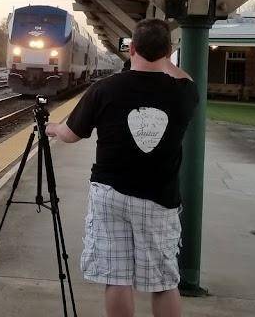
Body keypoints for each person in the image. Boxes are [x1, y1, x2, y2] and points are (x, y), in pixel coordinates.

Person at [46, 18, 197, 317]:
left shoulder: (106, 89)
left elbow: (71, 134)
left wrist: (52, 128)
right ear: (169, 51)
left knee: (116, 278)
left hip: (110, 194)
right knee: (164, 282)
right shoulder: (184, 93)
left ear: (131, 49)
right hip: (159, 198)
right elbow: (186, 78)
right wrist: (164, 60)